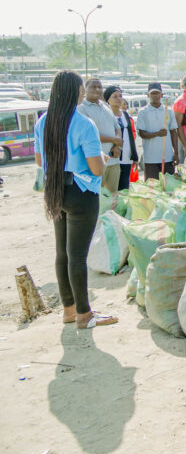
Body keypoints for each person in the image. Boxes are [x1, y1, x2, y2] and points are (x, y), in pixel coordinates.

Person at [34, 70, 116, 329]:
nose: (83, 91)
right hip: (81, 193)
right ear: (75, 92)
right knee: (78, 256)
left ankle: (68, 310)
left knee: (62, 253)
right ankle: (85, 314)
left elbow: (40, 162)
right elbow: (96, 169)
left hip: (55, 190)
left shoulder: (42, 122)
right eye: (81, 87)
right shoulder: (83, 124)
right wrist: (103, 159)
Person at [76, 78, 121, 194]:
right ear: (85, 89)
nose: (97, 89)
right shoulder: (82, 108)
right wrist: (113, 139)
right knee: (97, 196)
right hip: (97, 162)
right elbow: (88, 135)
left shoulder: (106, 106)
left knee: (113, 196)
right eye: (93, 86)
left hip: (113, 160)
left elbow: (117, 128)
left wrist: (117, 146)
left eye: (99, 87)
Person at [136, 82, 179, 181]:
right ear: (148, 95)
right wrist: (157, 134)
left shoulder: (168, 111)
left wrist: (176, 153)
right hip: (150, 158)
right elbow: (141, 134)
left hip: (167, 156)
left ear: (161, 95)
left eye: (157, 93)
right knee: (152, 189)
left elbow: (174, 132)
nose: (155, 96)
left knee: (169, 186)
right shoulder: (143, 112)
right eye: (152, 94)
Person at [104, 86, 138, 190]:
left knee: (124, 189)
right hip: (114, 158)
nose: (119, 99)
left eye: (120, 96)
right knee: (111, 190)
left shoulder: (125, 115)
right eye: (115, 96)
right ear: (108, 100)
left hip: (127, 158)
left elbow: (131, 136)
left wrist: (134, 156)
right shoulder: (106, 115)